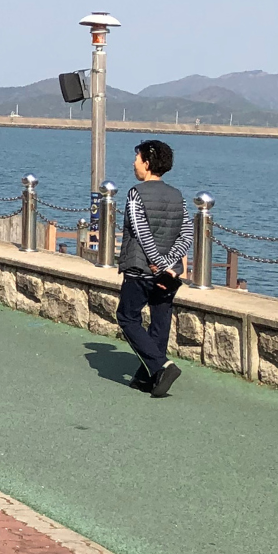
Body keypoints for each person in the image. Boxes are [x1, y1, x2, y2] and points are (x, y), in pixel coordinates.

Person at [119, 139, 192, 397]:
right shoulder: (178, 195)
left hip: (140, 269)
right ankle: (147, 377)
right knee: (160, 323)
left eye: (137, 159)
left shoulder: (135, 193)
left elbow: (141, 232)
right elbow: (186, 235)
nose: (134, 163)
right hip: (169, 274)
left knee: (128, 318)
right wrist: (169, 263)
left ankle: (161, 366)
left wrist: (157, 263)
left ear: (147, 164)